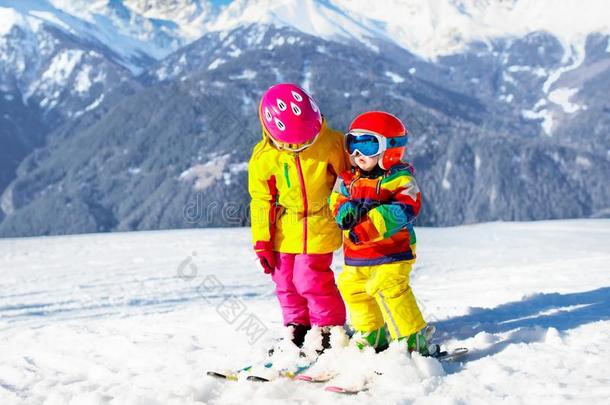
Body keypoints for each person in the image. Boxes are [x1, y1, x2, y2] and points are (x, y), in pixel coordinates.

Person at [248, 83, 349, 352]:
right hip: (285, 225)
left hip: (320, 221)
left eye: (306, 141)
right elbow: (261, 200)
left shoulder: (332, 144)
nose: (300, 147)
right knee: (284, 280)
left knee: (310, 278)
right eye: (292, 144)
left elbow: (350, 180)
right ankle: (297, 325)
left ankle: (328, 327)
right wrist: (262, 240)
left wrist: (351, 217)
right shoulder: (264, 157)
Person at [329, 111, 437, 355]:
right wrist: (342, 208)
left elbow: (405, 209)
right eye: (353, 143)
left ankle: (412, 339)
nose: (357, 154)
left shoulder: (400, 180)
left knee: (388, 287)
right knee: (352, 286)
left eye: (367, 145)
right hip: (357, 255)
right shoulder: (348, 179)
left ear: (390, 149)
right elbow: (335, 198)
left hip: (393, 251)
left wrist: (366, 228)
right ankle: (372, 333)